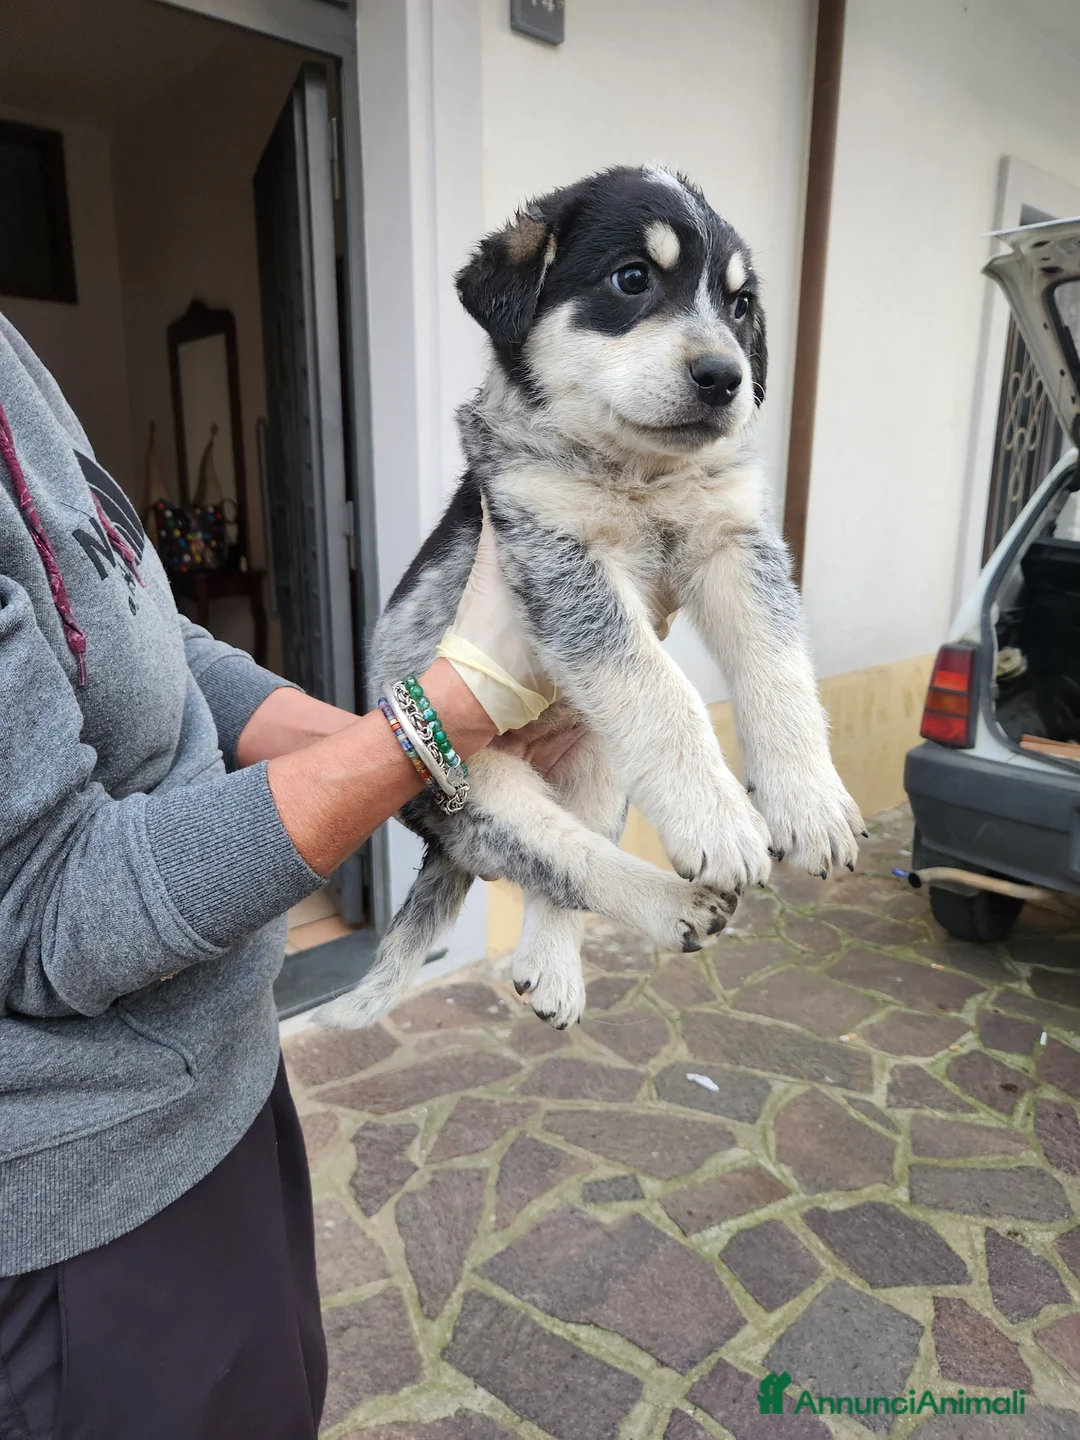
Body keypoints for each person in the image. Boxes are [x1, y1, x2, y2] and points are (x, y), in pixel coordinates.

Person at [0, 313, 578, 1439]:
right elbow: (47, 903)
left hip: (219, 1084)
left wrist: (410, 760)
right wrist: (438, 715)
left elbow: (163, 646)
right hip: (83, 1202)